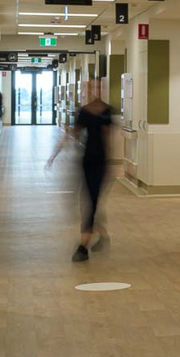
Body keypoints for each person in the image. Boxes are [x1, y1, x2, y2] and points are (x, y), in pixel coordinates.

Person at [48, 79, 112, 262]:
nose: (94, 90)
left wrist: (111, 164)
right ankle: (102, 235)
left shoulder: (107, 111)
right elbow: (73, 133)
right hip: (87, 161)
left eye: (97, 87)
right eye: (90, 87)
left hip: (101, 163)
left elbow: (108, 139)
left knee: (92, 201)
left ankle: (83, 246)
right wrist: (55, 153)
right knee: (89, 201)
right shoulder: (83, 111)